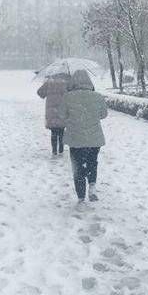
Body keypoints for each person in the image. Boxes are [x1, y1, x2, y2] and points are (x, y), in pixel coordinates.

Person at [63, 69, 108, 202]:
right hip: (94, 139)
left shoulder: (67, 97)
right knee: (92, 162)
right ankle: (92, 186)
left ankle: (81, 197)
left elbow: (61, 115)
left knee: (78, 167)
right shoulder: (98, 96)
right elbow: (103, 114)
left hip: (76, 139)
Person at [37, 72, 69, 156]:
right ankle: (61, 149)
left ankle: (54, 150)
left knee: (53, 131)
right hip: (62, 110)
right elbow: (70, 95)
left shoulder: (48, 83)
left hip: (51, 111)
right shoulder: (66, 83)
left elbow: (40, 93)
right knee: (61, 131)